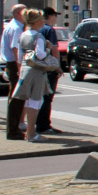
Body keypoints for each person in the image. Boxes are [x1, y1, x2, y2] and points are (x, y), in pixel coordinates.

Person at [8, 9, 55, 143]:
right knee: (36, 101)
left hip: (24, 68)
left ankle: (29, 131)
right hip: (36, 71)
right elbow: (40, 55)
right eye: (41, 19)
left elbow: (19, 56)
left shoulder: (23, 35)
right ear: (37, 22)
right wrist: (48, 49)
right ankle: (31, 133)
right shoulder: (38, 37)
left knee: (28, 101)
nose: (43, 21)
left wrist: (20, 69)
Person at [0, 3, 26, 140]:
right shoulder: (16, 28)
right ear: (18, 14)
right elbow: (16, 50)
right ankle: (13, 131)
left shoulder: (11, 26)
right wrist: (20, 69)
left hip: (10, 64)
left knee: (14, 98)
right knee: (16, 99)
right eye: (24, 12)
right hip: (15, 65)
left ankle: (13, 129)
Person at [36, 7, 64, 135]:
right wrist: (57, 67)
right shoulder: (49, 30)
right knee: (47, 97)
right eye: (54, 15)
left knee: (37, 97)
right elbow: (54, 49)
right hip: (48, 67)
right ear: (48, 16)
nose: (55, 18)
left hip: (37, 67)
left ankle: (35, 122)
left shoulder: (35, 29)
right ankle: (44, 125)